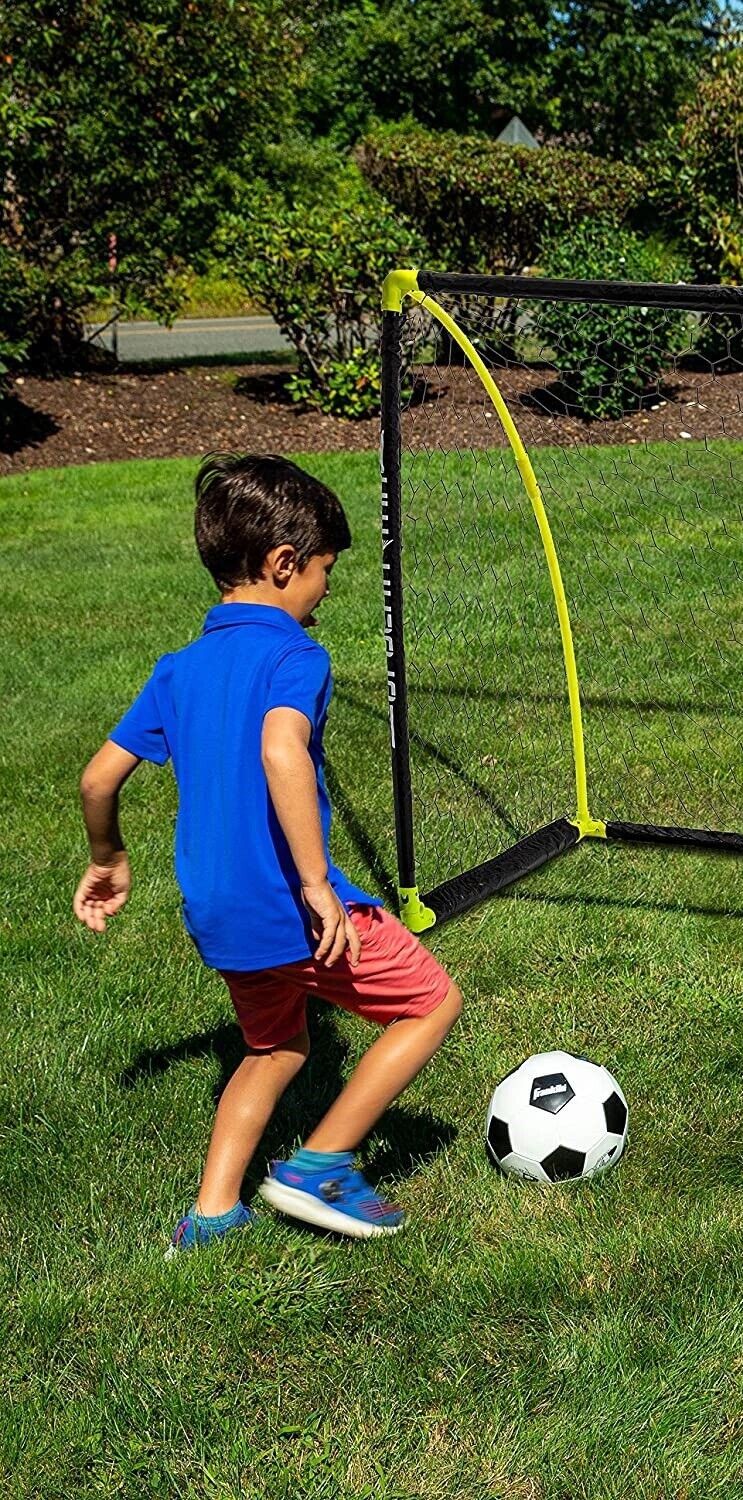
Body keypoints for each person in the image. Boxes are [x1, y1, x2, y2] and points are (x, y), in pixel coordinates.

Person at [73, 453, 462, 1256]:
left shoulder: (178, 669)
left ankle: (211, 1216)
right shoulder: (295, 657)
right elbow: (282, 752)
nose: (325, 588)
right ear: (284, 565)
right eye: (323, 570)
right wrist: (319, 885)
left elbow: (98, 777)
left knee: (275, 1046)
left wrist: (108, 855)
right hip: (289, 903)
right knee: (429, 1003)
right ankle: (319, 1165)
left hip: (216, 911)